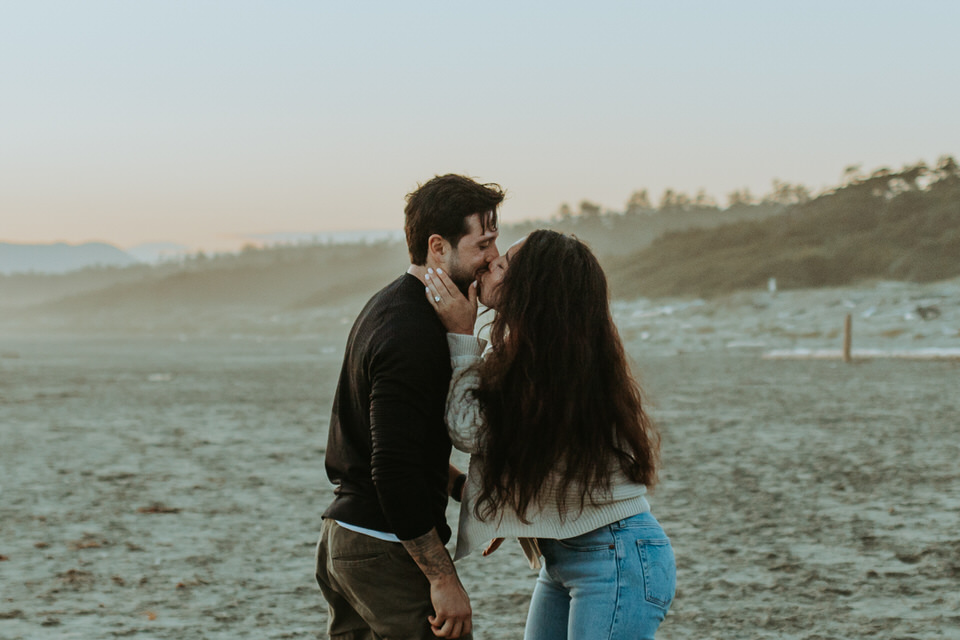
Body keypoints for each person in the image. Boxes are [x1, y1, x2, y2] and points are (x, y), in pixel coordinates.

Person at [424, 229, 676, 640]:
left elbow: (469, 430)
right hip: (567, 559)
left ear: (532, 292)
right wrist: (507, 507)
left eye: (502, 264)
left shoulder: (554, 370)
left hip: (615, 558)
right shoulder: (535, 357)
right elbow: (539, 456)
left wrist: (463, 339)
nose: (490, 265)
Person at [316, 174, 503, 640]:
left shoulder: (390, 305)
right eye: (483, 244)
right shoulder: (412, 333)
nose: (493, 257)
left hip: (349, 539)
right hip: (383, 548)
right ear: (438, 247)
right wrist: (443, 578)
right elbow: (394, 467)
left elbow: (409, 443)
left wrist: (471, 496)